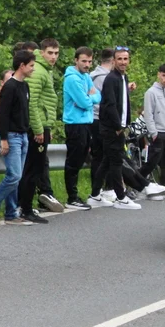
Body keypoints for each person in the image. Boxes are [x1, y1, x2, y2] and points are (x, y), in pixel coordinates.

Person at [0, 51, 35, 226]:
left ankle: (11, 213)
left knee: (15, 177)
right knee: (14, 176)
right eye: (31, 65)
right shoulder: (10, 87)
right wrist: (4, 139)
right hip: (11, 136)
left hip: (23, 135)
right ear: (22, 66)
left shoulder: (24, 86)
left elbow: (24, 112)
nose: (33, 69)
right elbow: (3, 115)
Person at [18, 38, 64, 223]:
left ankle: (25, 207)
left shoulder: (44, 69)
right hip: (36, 127)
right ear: (42, 52)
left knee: (34, 168)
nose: (53, 57)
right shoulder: (38, 71)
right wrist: (39, 130)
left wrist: (47, 127)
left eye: (56, 53)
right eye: (50, 53)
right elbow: (32, 104)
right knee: (33, 169)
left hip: (42, 125)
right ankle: (26, 209)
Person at [94, 47, 142, 210]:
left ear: (129, 61)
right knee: (115, 162)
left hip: (119, 127)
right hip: (111, 128)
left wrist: (125, 124)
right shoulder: (111, 79)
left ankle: (94, 195)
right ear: (113, 61)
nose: (122, 62)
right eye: (119, 59)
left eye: (125, 59)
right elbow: (109, 104)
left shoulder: (123, 77)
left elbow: (123, 103)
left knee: (107, 161)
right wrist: (118, 126)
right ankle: (121, 197)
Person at [62, 47, 101, 210]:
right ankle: (72, 197)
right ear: (76, 60)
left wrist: (90, 97)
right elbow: (84, 102)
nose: (87, 65)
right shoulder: (72, 79)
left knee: (80, 160)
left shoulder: (86, 77)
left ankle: (75, 196)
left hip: (86, 123)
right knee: (74, 161)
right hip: (75, 124)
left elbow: (98, 96)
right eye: (84, 61)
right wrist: (89, 98)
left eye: (89, 61)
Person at [87, 48, 115, 206]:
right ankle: (102, 190)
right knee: (104, 155)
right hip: (101, 119)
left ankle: (99, 190)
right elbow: (108, 100)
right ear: (112, 60)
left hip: (93, 118)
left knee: (99, 156)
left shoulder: (92, 75)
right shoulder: (106, 78)